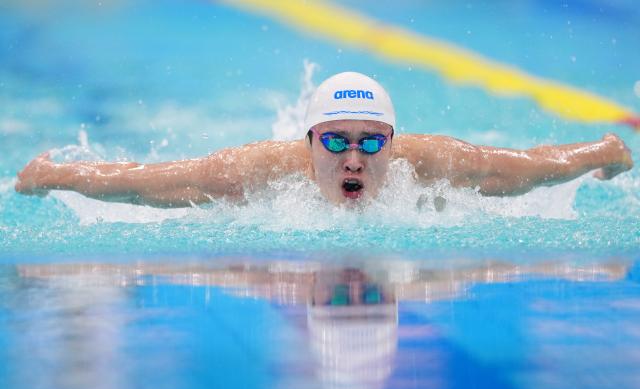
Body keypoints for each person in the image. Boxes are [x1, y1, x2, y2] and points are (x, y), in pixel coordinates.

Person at [14, 72, 633, 207]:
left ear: (395, 142)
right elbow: (156, 182)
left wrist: (602, 154)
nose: (357, 157)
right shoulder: (255, 172)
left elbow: (526, 167)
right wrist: (59, 175)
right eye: (336, 143)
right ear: (308, 143)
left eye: (372, 143)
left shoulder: (437, 165)